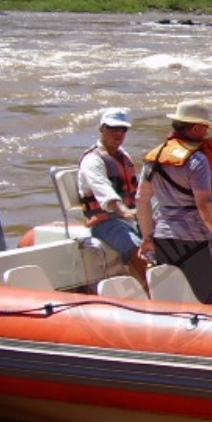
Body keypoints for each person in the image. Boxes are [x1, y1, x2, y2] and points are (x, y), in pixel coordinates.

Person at [136, 101, 212, 304]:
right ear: (196, 128)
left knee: (176, 299)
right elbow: (205, 205)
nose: (207, 131)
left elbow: (141, 199)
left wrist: (147, 236)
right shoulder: (197, 160)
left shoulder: (154, 158)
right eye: (205, 127)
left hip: (164, 237)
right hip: (197, 240)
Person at [76, 107, 148, 287]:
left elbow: (138, 190)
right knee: (135, 248)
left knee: (165, 236)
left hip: (129, 218)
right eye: (112, 128)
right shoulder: (92, 160)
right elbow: (103, 190)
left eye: (122, 129)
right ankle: (152, 291)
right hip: (104, 222)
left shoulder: (124, 157)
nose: (118, 133)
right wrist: (123, 211)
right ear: (102, 129)